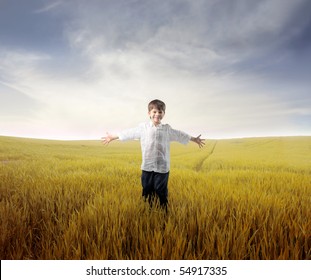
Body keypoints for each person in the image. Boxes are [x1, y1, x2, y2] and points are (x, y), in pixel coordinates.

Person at [102, 99, 205, 211]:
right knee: (147, 188)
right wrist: (113, 136)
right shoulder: (143, 128)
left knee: (160, 189)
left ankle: (163, 209)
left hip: (162, 167)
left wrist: (194, 139)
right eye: (154, 112)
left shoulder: (167, 129)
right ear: (149, 113)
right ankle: (147, 209)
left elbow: (180, 134)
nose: (157, 114)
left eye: (160, 112)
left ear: (163, 114)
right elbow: (129, 133)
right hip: (147, 166)